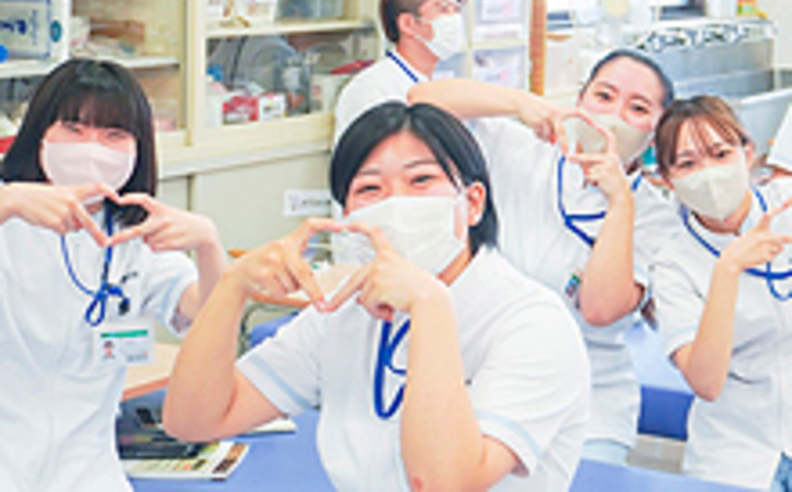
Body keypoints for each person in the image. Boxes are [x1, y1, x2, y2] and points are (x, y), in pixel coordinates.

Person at [164, 102, 589, 492]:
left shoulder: (533, 323)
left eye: (421, 180)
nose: (396, 203)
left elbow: (444, 484)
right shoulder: (343, 310)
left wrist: (429, 305)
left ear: (473, 203)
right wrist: (233, 287)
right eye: (369, 189)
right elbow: (194, 420)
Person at [408, 49, 681, 464]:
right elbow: (423, 100)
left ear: (656, 131)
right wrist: (520, 103)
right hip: (485, 378)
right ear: (580, 99)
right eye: (603, 96)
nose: (614, 115)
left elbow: (600, 308)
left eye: (638, 108)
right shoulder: (521, 150)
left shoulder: (655, 218)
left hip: (590, 402)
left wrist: (620, 202)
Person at [0, 59, 226, 492]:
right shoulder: (9, 215)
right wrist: (7, 203)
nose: (91, 148)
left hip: (91, 473)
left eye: (114, 135)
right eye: (74, 128)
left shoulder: (136, 236)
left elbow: (208, 315)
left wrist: (209, 247)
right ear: (39, 132)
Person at [651, 95, 792, 491]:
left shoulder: (786, 206)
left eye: (720, 154)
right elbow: (707, 383)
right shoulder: (673, 264)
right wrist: (727, 271)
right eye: (687, 164)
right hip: (736, 452)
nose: (709, 174)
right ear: (666, 179)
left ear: (748, 153)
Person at [332, 0, 466, 142]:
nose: (454, 19)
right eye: (443, 9)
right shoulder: (371, 90)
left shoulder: (429, 82)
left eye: (456, 10)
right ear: (408, 24)